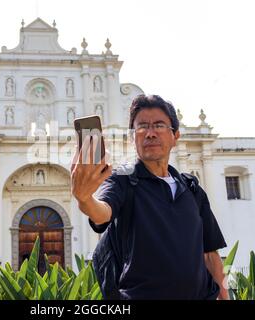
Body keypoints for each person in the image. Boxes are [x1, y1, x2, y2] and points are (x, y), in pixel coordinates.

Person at [71, 94, 228, 300]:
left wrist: (225, 296)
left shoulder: (192, 189)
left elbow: (210, 254)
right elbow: (102, 213)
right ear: (132, 137)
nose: (150, 133)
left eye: (159, 125)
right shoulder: (123, 180)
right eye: (142, 126)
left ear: (175, 136)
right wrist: (84, 198)